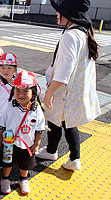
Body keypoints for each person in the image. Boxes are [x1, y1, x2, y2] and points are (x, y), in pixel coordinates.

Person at [35, 0, 101, 171]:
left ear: (69, 14)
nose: (56, 13)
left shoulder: (70, 36)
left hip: (64, 90)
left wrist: (49, 92)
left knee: (61, 120)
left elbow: (64, 71)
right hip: (74, 90)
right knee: (63, 121)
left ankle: (65, 155)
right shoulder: (83, 32)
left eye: (59, 11)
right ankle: (63, 154)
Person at [0, 70, 45, 195]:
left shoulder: (37, 109)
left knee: (25, 164)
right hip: (9, 143)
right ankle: (5, 179)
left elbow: (39, 128)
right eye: (18, 90)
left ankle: (23, 179)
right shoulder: (9, 106)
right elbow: (1, 124)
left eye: (26, 91)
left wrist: (37, 143)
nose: (21, 94)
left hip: (27, 144)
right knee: (7, 162)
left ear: (33, 92)